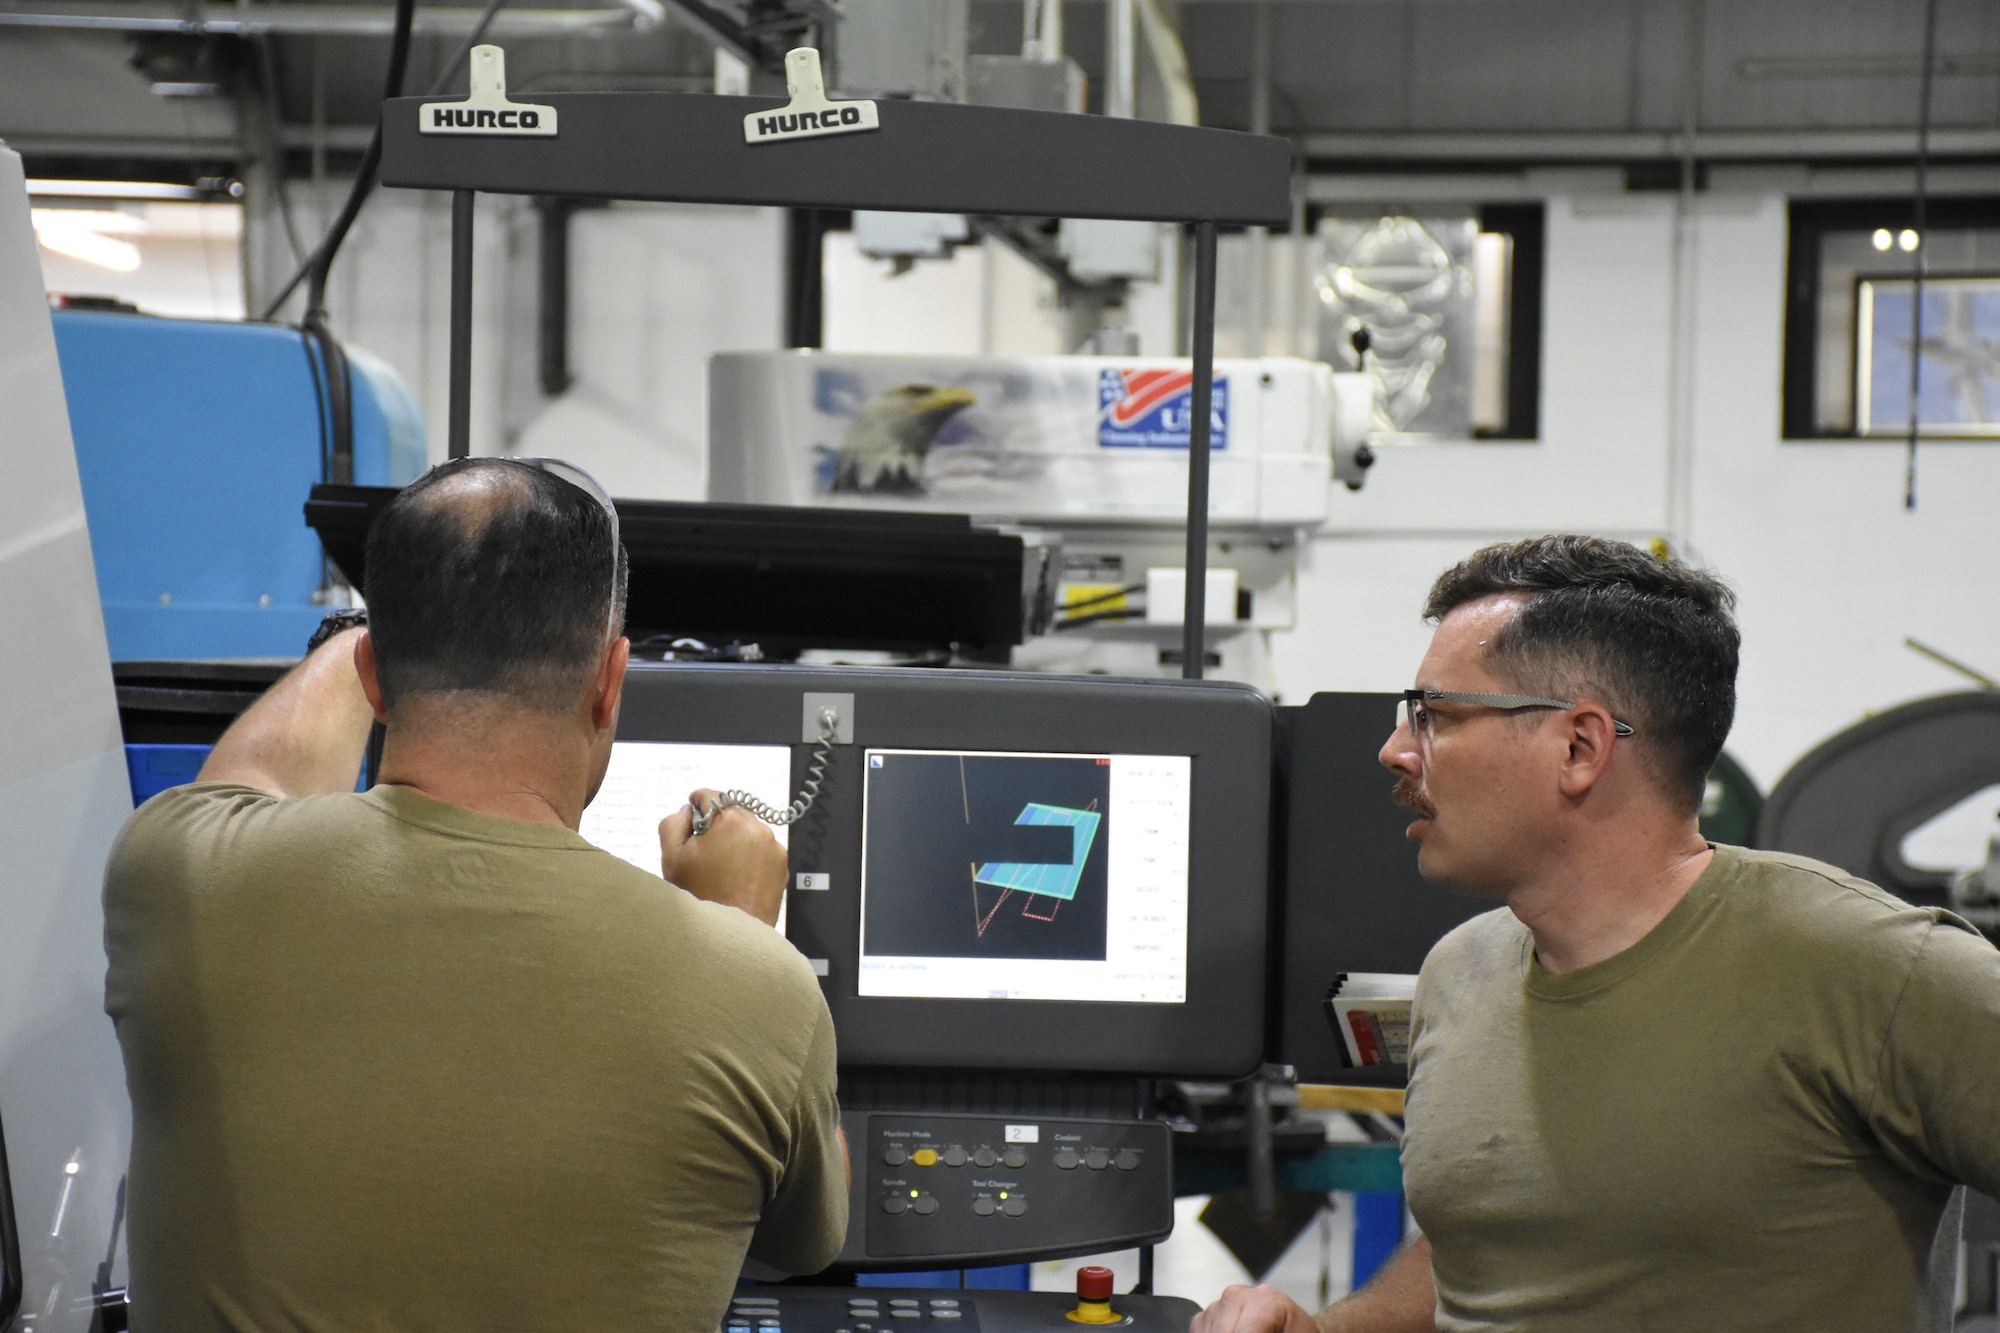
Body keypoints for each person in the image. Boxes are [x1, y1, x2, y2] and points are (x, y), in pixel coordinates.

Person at [103, 458, 848, 1330]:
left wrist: (367, 635)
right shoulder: (758, 990)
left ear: (378, 676)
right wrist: (737, 928)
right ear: (609, 681)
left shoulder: (176, 874)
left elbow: (256, 772)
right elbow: (808, 1240)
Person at [1195, 534, 2000, 1332]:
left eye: (1433, 715)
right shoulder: (1460, 971)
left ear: (1579, 746)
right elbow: (1495, 1250)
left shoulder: (1877, 970)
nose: (1395, 749)